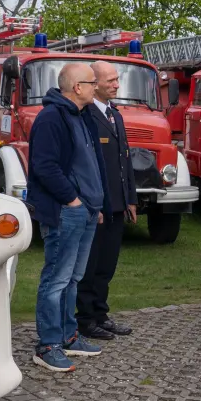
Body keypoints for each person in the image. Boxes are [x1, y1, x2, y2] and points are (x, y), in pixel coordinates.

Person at [26, 62, 112, 372]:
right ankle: (48, 345)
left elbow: (92, 164)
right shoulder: (51, 118)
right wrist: (73, 201)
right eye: (91, 82)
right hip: (65, 212)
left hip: (85, 211)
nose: (96, 87)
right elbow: (44, 166)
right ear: (77, 87)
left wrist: (95, 205)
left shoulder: (83, 115)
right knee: (56, 279)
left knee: (72, 279)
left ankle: (68, 335)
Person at [75, 61, 138, 340]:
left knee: (107, 265)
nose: (116, 85)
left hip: (117, 204)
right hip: (96, 206)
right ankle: (85, 319)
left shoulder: (115, 114)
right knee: (90, 265)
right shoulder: (85, 116)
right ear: (94, 83)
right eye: (110, 80)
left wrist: (130, 198)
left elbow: (125, 160)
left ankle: (101, 314)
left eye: (116, 79)